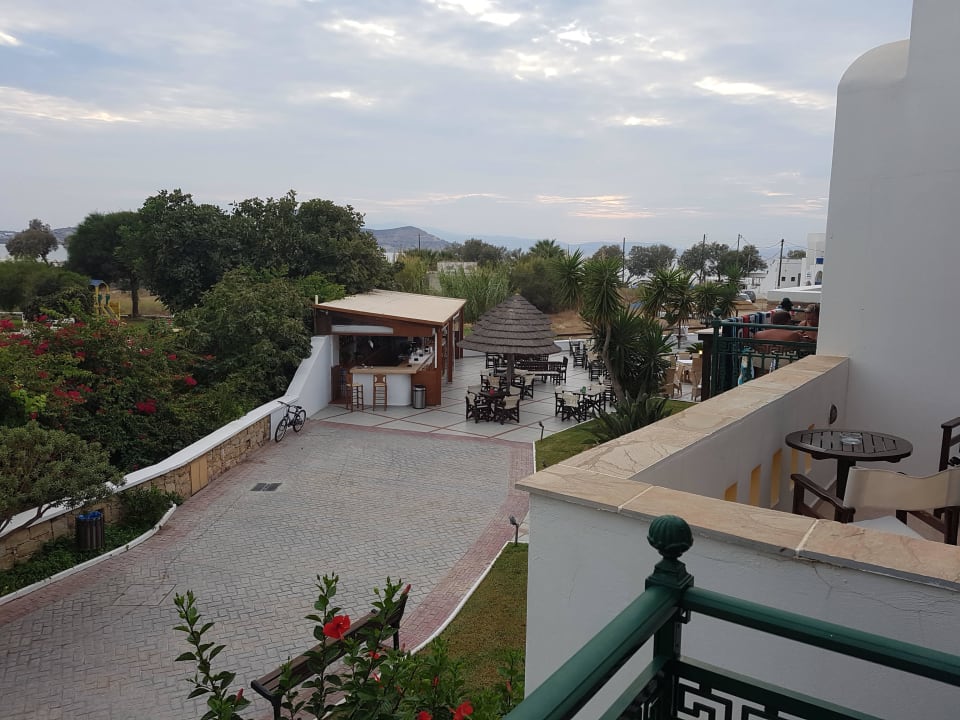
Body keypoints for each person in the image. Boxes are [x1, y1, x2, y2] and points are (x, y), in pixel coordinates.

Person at [751, 310, 803, 376]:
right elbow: (797, 349)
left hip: (760, 365)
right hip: (783, 367)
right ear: (788, 321)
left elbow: (755, 348)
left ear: (772, 321)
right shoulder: (793, 335)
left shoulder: (758, 334)